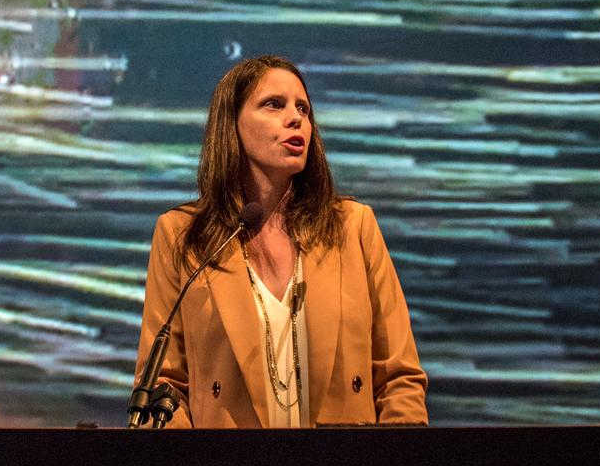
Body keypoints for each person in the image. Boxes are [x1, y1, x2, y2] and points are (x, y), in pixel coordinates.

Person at [133, 55, 427, 428]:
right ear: (231, 125)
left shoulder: (353, 227)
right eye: (274, 104)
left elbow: (399, 378)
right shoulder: (182, 236)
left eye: (303, 108)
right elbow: (164, 386)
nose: (296, 119)